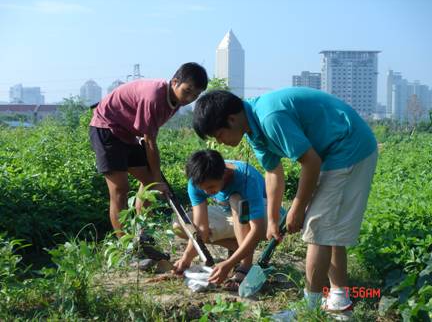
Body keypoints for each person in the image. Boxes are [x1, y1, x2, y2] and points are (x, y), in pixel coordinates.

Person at [192, 87, 377, 317]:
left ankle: (308, 310)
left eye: (219, 135)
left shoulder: (270, 117)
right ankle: (339, 300)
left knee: (318, 227)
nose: (220, 142)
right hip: (333, 153)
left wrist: (297, 210)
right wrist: (271, 220)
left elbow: (310, 162)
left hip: (347, 147)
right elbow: (272, 172)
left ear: (231, 119)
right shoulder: (253, 128)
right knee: (329, 227)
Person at [89, 62, 208, 238]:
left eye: (195, 95)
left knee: (150, 184)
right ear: (174, 82)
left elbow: (147, 139)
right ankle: (127, 245)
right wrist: (159, 178)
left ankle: (143, 236)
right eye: (187, 91)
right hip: (106, 128)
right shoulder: (154, 97)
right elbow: (150, 142)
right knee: (120, 189)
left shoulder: (175, 101)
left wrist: (156, 180)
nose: (189, 98)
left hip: (128, 134)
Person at [172, 149, 276, 289]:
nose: (207, 192)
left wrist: (230, 264)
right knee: (181, 225)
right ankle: (238, 246)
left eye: (211, 187)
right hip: (231, 215)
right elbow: (201, 229)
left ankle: (245, 266)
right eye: (203, 189)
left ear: (225, 174)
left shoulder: (245, 178)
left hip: (267, 217)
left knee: (236, 199)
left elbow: (256, 230)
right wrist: (186, 258)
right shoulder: (197, 181)